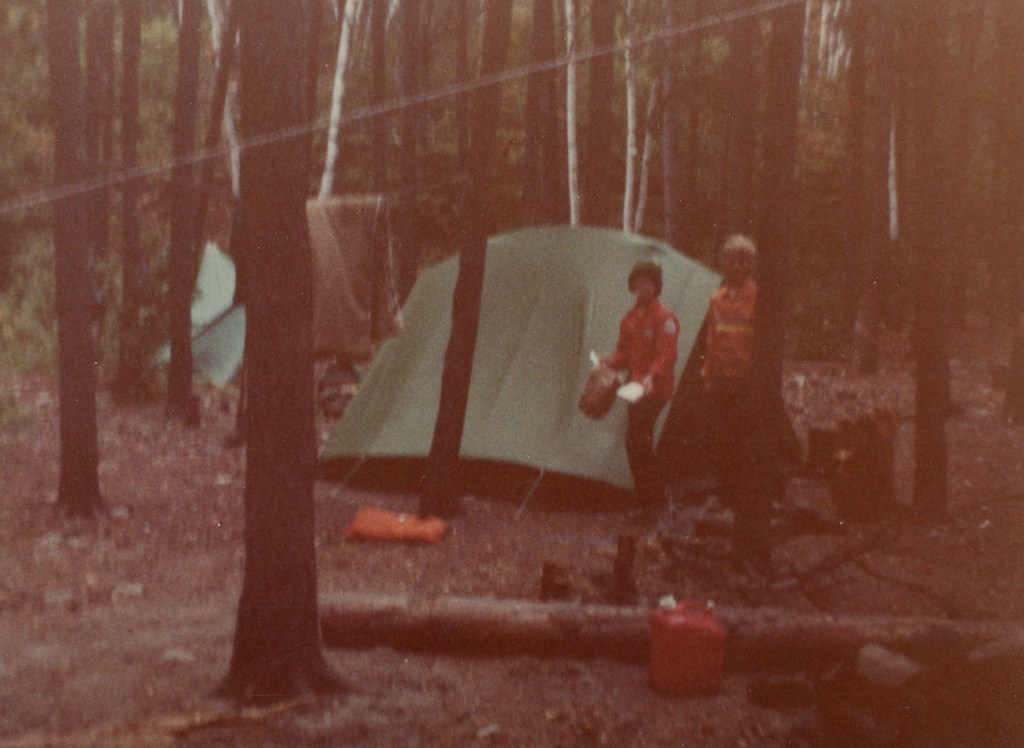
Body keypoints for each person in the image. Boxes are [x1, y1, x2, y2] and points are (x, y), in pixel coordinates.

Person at [700, 234, 767, 572]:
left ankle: (742, 497)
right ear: (725, 262)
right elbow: (712, 339)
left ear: (750, 264)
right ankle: (722, 494)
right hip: (723, 379)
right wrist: (708, 374)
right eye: (732, 259)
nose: (737, 265)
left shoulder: (759, 298)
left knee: (744, 440)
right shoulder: (717, 298)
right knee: (720, 438)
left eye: (743, 260)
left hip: (747, 382)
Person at [601, 261, 680, 510]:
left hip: (656, 390)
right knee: (635, 442)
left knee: (639, 440)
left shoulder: (665, 318)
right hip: (634, 389)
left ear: (656, 287)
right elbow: (623, 354)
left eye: (648, 283)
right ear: (632, 285)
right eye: (638, 282)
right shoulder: (629, 319)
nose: (642, 287)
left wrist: (652, 375)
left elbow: (667, 355)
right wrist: (607, 361)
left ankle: (652, 497)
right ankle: (649, 495)